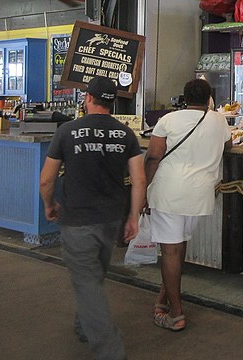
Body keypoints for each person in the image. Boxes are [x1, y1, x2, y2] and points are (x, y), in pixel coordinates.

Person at [39, 76, 145, 360]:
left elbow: (46, 180)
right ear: (112, 101)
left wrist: (50, 205)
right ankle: (83, 324)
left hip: (78, 220)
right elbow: (139, 180)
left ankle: (111, 352)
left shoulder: (67, 131)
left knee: (87, 283)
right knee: (93, 276)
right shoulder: (126, 135)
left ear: (88, 99)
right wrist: (133, 217)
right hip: (111, 219)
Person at [145, 78, 232, 332]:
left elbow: (152, 158)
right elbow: (229, 146)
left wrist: (141, 194)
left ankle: (177, 314)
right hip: (200, 196)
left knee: (170, 252)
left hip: (169, 193)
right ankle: (163, 299)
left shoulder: (168, 121)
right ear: (208, 99)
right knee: (178, 247)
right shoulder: (218, 120)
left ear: (184, 98)